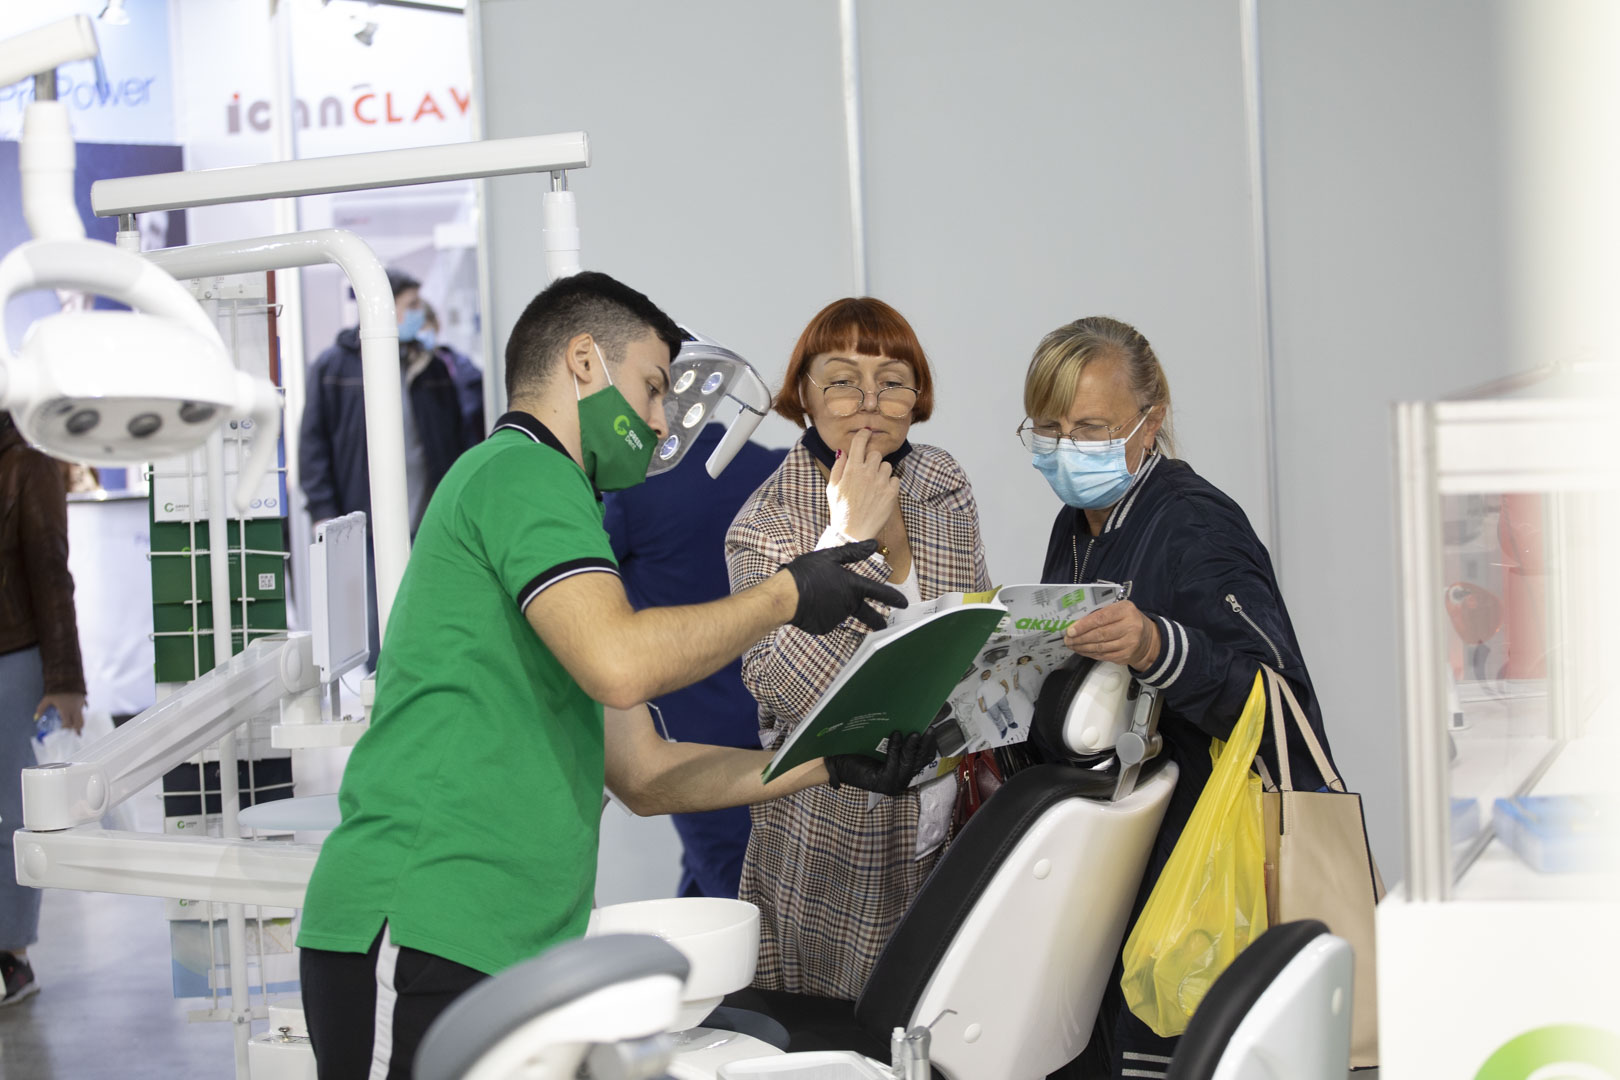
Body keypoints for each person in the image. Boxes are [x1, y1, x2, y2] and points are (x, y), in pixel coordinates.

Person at [295, 272, 935, 1080]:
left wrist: (828, 764)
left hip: (499, 936)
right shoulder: (522, 473)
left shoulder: (564, 519)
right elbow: (623, 662)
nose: (663, 422)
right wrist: (787, 593)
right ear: (584, 363)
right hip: (424, 917)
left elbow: (644, 774)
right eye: (655, 389)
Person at [1019, 316, 1340, 1078]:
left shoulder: (1194, 524)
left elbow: (1281, 707)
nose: (1068, 449)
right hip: (1107, 878)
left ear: (1150, 420)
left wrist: (1157, 646)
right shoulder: (1076, 526)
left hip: (1195, 880)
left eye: (1092, 429)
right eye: (1050, 429)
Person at [726, 297, 990, 1001]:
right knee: (846, 1030)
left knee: (949, 1017)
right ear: (805, 394)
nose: (870, 402)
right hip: (832, 828)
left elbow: (973, 634)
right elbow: (786, 692)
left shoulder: (941, 482)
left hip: (953, 809)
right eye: (843, 380)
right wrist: (848, 539)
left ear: (916, 397)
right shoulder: (768, 521)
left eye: (892, 381)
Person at [603, 423, 787, 899]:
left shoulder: (631, 489)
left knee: (737, 896)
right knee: (727, 872)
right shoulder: (774, 466)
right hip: (776, 714)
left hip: (692, 736)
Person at [299, 269, 469, 667]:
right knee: (381, 629)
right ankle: (386, 695)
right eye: (411, 305)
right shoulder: (333, 368)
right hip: (367, 523)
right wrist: (323, 510)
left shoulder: (430, 366)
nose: (420, 312)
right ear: (383, 307)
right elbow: (313, 443)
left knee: (431, 620)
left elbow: (457, 439)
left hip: (428, 519)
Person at [0, 410, 87, 1006]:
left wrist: (65, 681)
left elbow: (53, 577)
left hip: (14, 660)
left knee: (13, 811)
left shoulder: (27, 467)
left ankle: (12, 954)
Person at [416, 301, 485, 439]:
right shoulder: (408, 374)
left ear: (436, 324)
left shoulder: (463, 367)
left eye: (422, 326)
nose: (419, 334)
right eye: (415, 329)